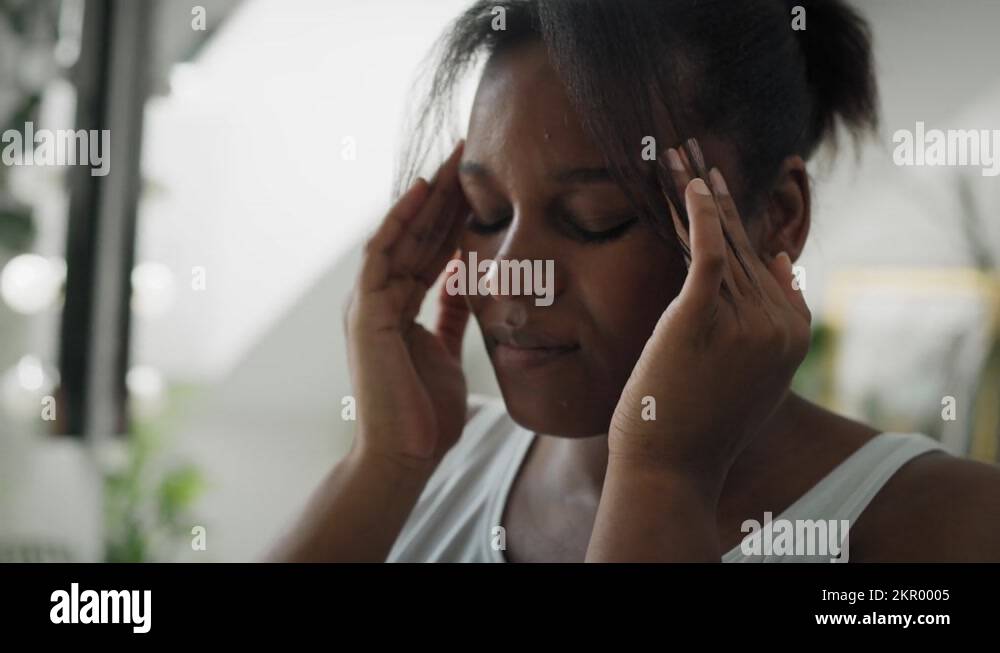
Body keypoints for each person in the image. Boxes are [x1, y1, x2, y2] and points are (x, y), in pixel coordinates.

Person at [267, 0, 1000, 562]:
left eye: (594, 216)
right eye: (487, 213)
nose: (513, 279)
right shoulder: (427, 468)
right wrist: (385, 461)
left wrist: (661, 477)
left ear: (776, 216)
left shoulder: (948, 526)